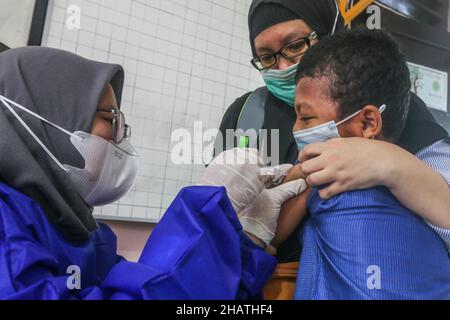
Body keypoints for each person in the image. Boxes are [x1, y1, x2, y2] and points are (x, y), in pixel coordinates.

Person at [0, 46, 302, 299]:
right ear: (51, 116)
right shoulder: (7, 232)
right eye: (110, 118)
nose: (120, 138)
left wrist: (247, 237)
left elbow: (167, 290)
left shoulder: (79, 233)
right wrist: (204, 213)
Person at [215, 0, 450, 264]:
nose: (282, 68)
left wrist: (391, 163)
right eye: (267, 57)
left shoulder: (391, 105)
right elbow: (220, 220)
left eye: (294, 46)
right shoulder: (245, 115)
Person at [289, 29, 450, 299]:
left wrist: (389, 163)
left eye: (306, 119)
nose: (296, 130)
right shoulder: (320, 161)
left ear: (367, 123)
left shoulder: (430, 152)